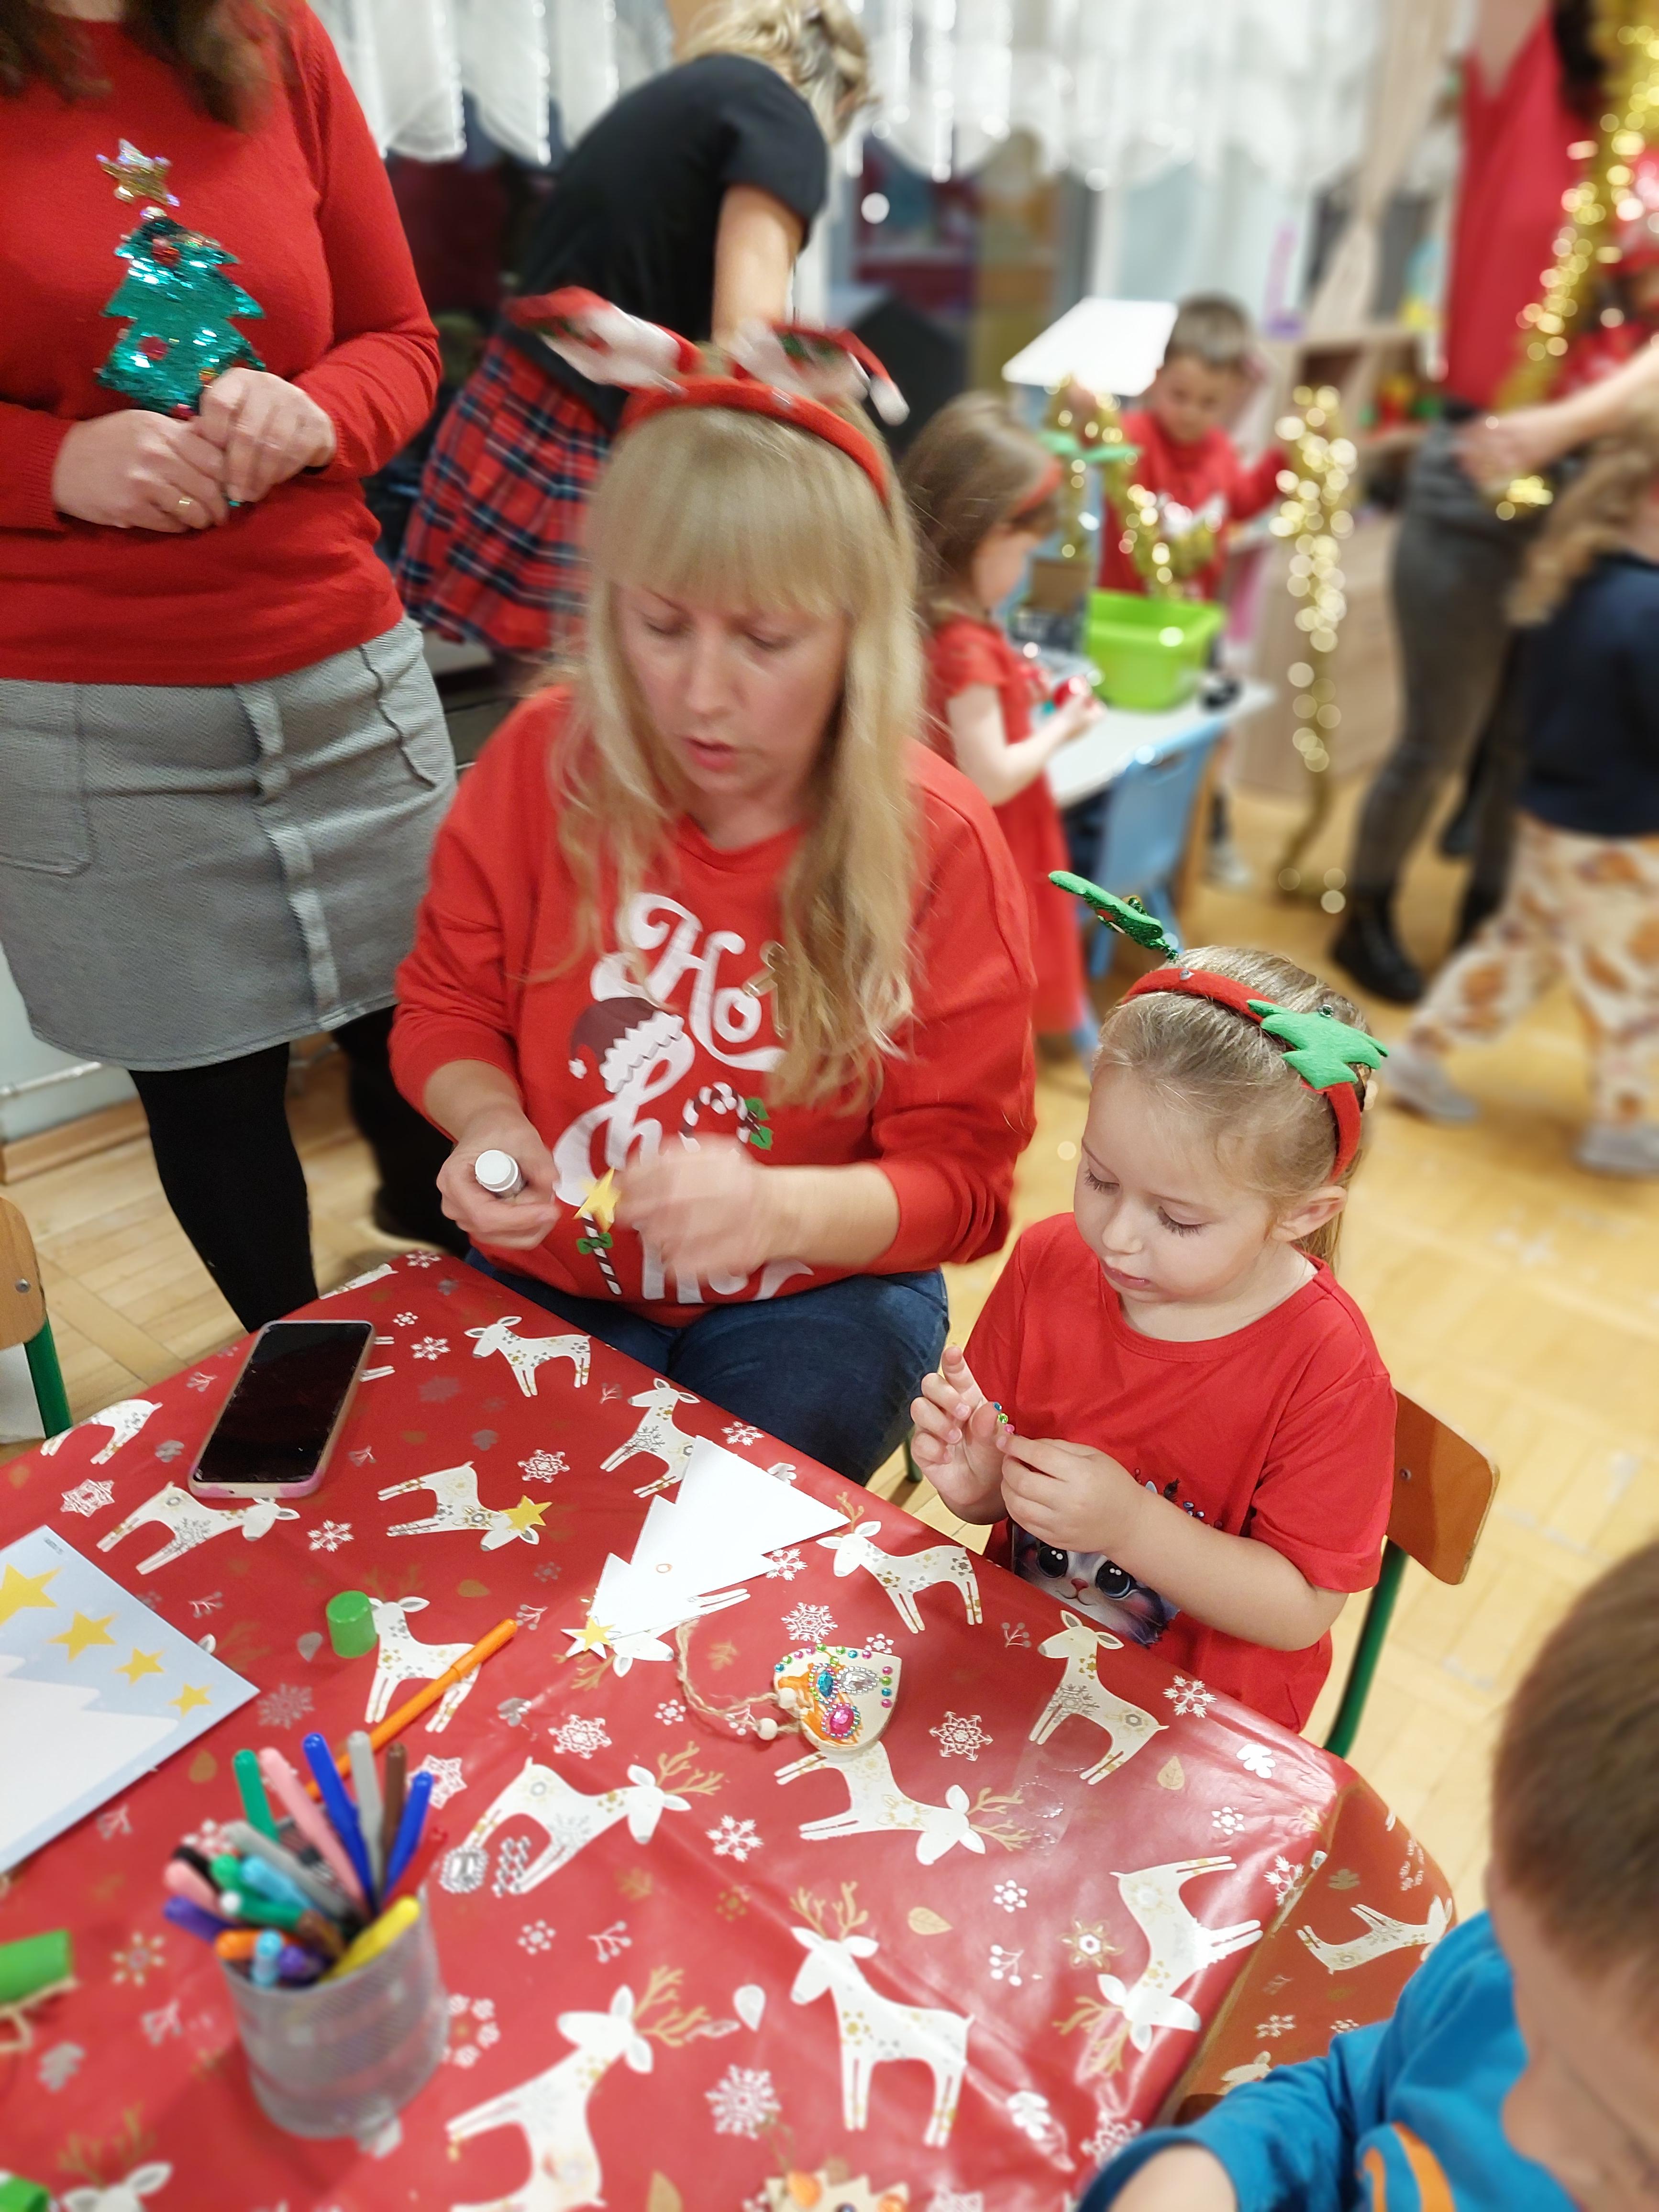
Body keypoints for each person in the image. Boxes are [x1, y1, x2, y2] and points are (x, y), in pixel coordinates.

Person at [391, 298, 1036, 1484]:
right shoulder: (540, 762)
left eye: (765, 640)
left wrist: (781, 1211)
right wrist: (489, 1123)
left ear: (857, 638)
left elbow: (966, 1190)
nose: (700, 696)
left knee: (718, 1517)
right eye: (660, 625)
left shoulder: (934, 838)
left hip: (821, 1290)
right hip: (563, 1267)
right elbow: (445, 1006)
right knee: (505, 1498)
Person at [0, 0, 460, 1330]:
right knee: (208, 1095)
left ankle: (492, 1361)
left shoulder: (276, 36)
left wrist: (316, 410)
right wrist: (53, 465)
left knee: (435, 1048)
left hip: (345, 675)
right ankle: (290, 1371)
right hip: (89, 717)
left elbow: (402, 339)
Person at [908, 910, 1394, 1732]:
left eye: (1177, 1218)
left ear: (1301, 1214)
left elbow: (1300, 1609)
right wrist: (984, 1485)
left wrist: (1130, 1525)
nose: (1118, 1236)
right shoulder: (1050, 1260)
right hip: (1020, 1655)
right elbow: (1003, 1502)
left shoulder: (1327, 1366)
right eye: (1099, 1178)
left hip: (1196, 1725)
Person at [1083, 1535, 1659, 2211]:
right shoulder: (1535, 1971)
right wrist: (1217, 2171)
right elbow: (1356, 2101)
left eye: (1635, 2158)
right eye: (1532, 2016)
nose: (1524, 2124)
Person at [396, 0, 867, 663]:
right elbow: (749, 345)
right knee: (604, 698)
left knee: (554, 699)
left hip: (517, 404)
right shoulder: (782, 118)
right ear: (838, 99)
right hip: (578, 423)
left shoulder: (684, 99)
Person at [1331, 0, 1602, 1003]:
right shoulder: (1524, 82)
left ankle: (1487, 920)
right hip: (1474, 466)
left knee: (1526, 740)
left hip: (1590, 482)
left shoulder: (1643, 139)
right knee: (1438, 736)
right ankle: (1365, 910)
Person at [1384, 404, 1659, 1179]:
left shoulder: (1576, 578)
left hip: (1551, 816)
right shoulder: (1647, 610)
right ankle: (1623, 1125)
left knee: (1521, 948)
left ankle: (1420, 1054)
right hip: (1613, 834)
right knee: (1628, 980)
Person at [901, 393, 1103, 1050]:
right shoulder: (964, 642)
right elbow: (989, 777)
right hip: (996, 838)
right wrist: (1064, 725)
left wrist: (1016, 684)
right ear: (983, 538)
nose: (1021, 576)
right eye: (1020, 555)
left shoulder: (934, 618)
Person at [1094, 295, 1284, 605]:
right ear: (1157, 379)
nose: (1191, 413)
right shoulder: (1132, 436)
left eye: (1209, 403)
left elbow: (1243, 503)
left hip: (1192, 614)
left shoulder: (1220, 449)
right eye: (1179, 396)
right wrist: (1087, 414)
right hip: (1124, 612)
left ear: (1233, 396)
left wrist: (1283, 457)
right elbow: (1094, 443)